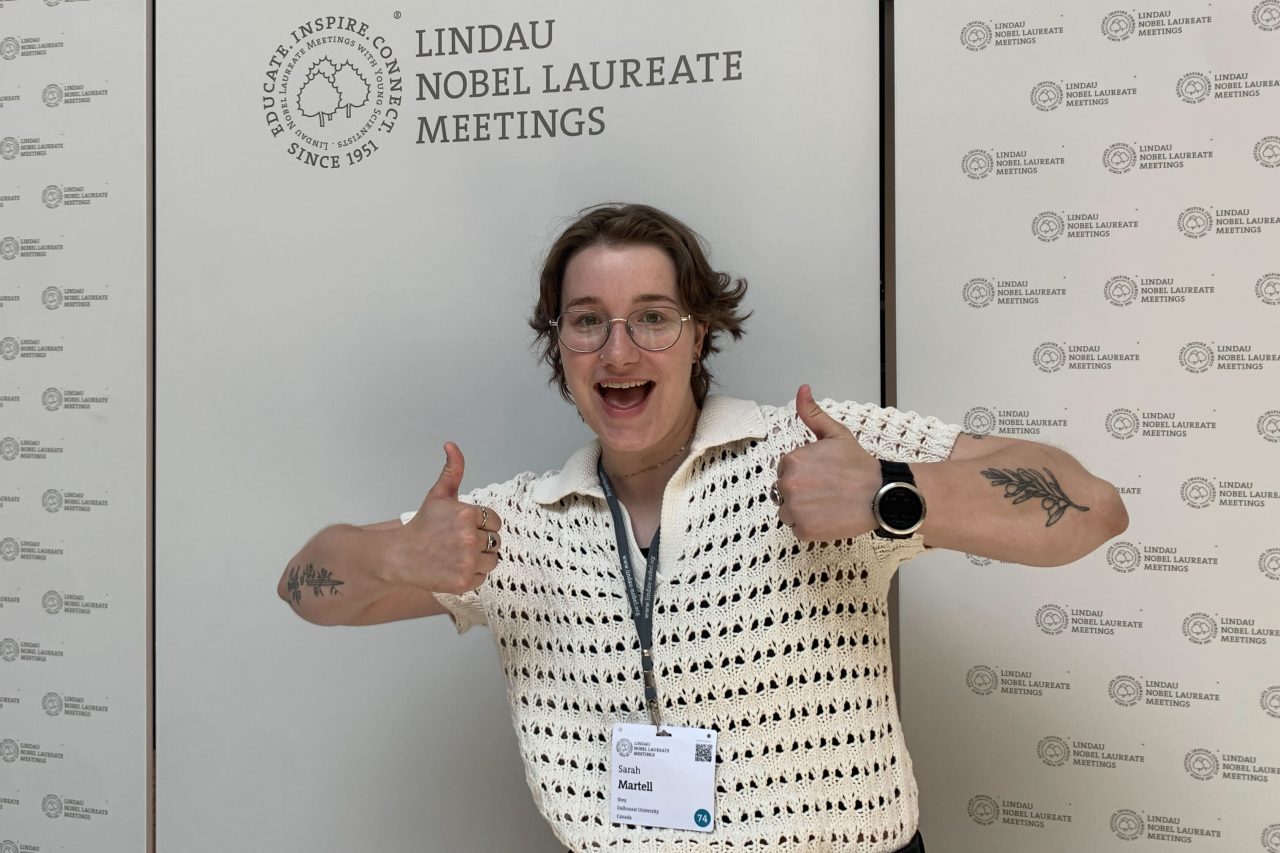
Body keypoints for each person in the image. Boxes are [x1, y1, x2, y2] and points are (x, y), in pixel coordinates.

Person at [279, 203, 1127, 853]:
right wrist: (394, 553)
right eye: (587, 321)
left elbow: (1091, 507)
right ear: (560, 346)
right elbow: (307, 588)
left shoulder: (814, 453)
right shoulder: (516, 526)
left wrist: (891, 490)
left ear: (699, 334)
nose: (619, 352)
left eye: (652, 316)